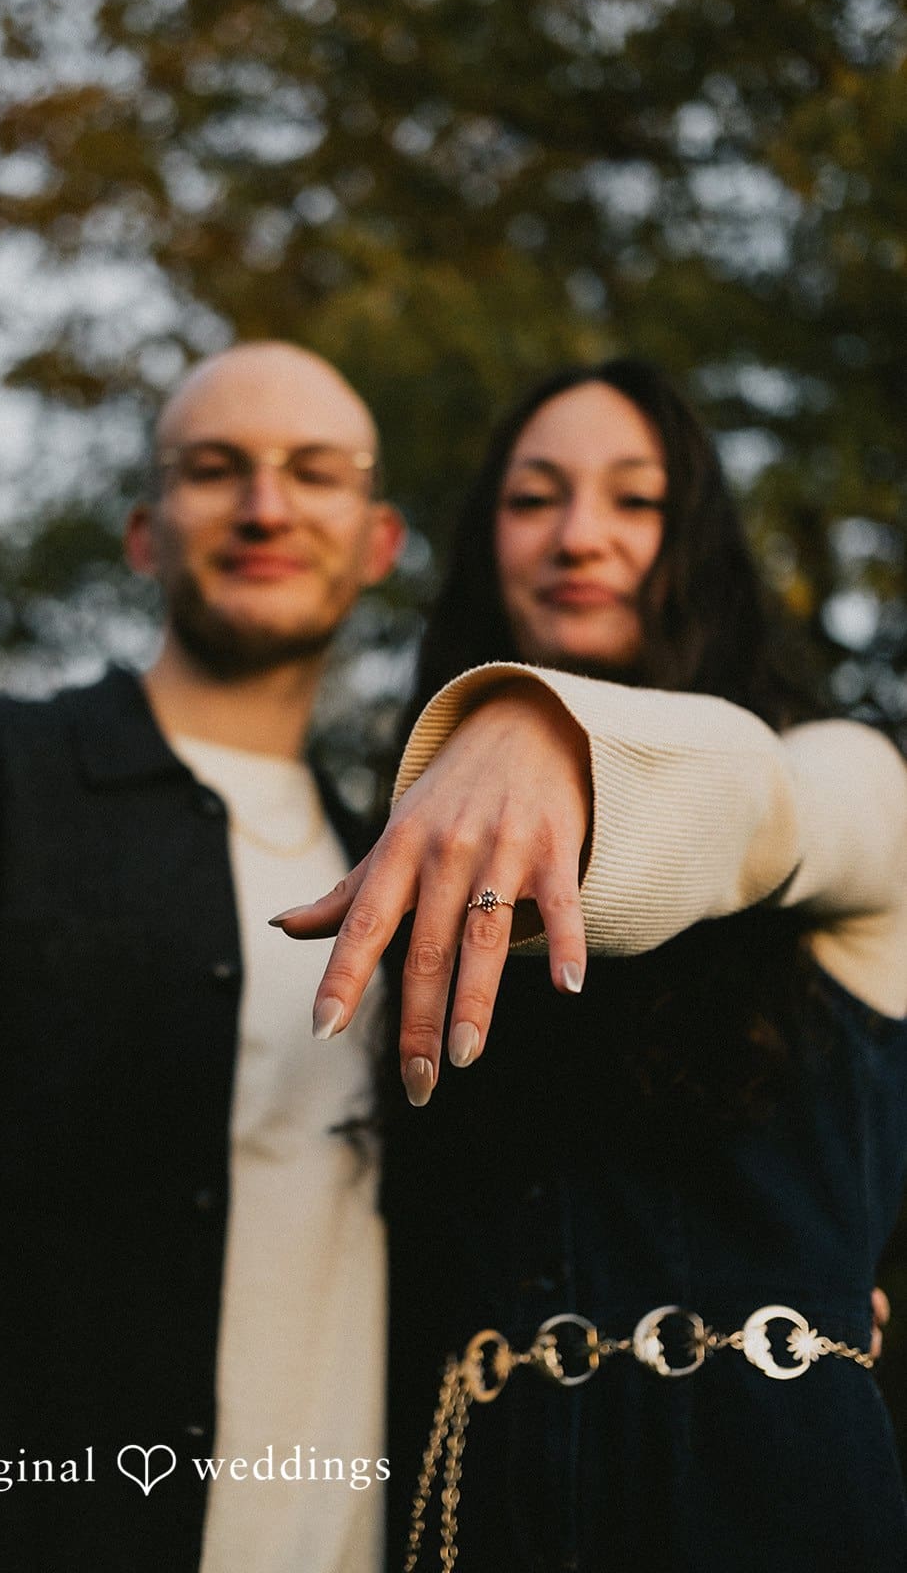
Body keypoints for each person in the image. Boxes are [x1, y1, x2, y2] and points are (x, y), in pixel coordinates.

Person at [274, 361, 907, 1570]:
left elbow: (763, 802)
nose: (578, 536)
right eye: (533, 499)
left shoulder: (846, 779)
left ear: (698, 541)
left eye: (634, 500)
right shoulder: (390, 872)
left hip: (768, 1514)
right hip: (472, 1517)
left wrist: (541, 728)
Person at [0, 341, 405, 1573]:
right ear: (146, 534)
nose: (265, 506)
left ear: (376, 541)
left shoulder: (412, 880)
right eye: (217, 469)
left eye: (314, 472)